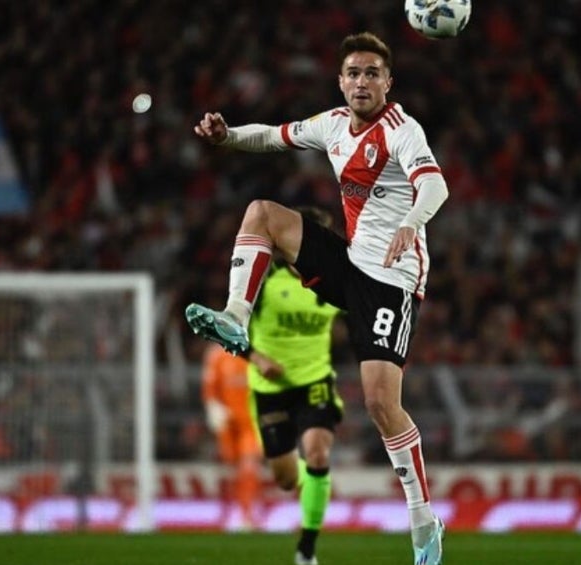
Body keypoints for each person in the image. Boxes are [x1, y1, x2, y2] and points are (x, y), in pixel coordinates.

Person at [186, 31, 449, 565]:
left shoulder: (402, 130)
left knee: (380, 404)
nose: (362, 82)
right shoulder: (332, 124)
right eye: (353, 73)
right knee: (261, 212)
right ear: (341, 81)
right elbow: (271, 137)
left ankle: (423, 519)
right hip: (350, 262)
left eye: (372, 73)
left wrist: (411, 221)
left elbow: (435, 186)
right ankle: (236, 315)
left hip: (392, 280)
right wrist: (227, 136)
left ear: (388, 82)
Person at [243, 207, 345, 565]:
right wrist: (256, 357)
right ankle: (313, 481)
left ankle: (307, 549)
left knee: (318, 453)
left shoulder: (336, 278)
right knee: (286, 479)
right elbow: (228, 328)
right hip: (270, 387)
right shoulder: (264, 278)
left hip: (315, 380)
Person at [201, 342, 262, 530]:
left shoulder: (257, 352)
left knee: (248, 466)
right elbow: (209, 387)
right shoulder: (216, 355)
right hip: (228, 423)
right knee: (231, 468)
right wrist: (213, 407)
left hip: (251, 423)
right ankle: (231, 511)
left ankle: (247, 516)